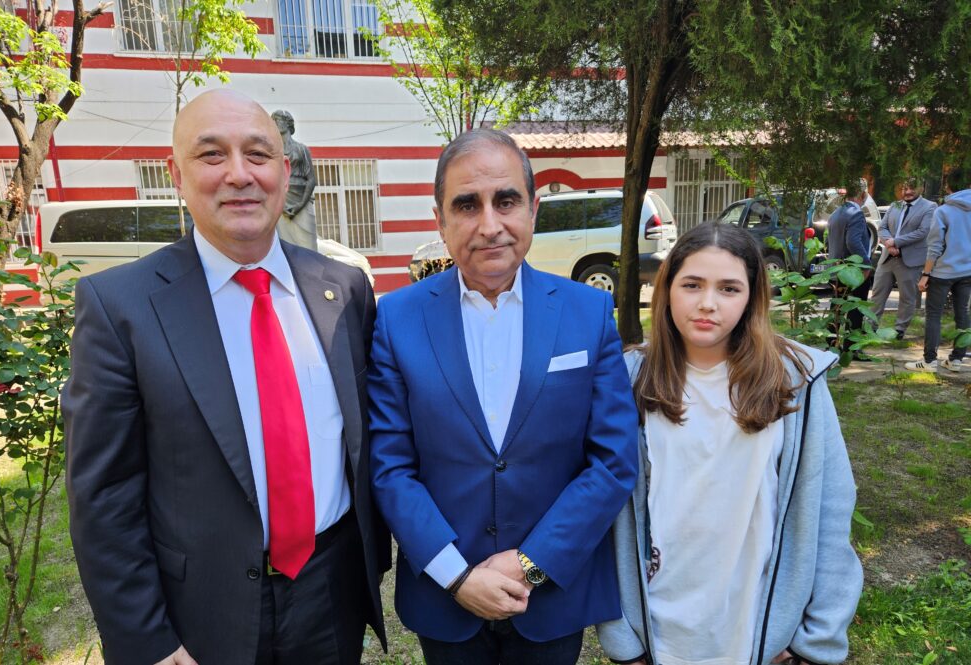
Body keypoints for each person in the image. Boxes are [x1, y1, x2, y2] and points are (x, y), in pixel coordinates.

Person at [63, 90, 388, 665]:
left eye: (258, 154)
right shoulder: (120, 308)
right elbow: (104, 497)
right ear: (176, 175)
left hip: (330, 592)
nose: (240, 174)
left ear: (284, 172)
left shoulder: (343, 289)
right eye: (212, 155)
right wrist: (147, 641)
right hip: (200, 611)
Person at [368, 128, 638, 665]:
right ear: (441, 221)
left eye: (506, 201)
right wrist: (457, 575)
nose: (489, 225)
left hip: (550, 598)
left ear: (533, 210)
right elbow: (389, 466)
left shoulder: (587, 313)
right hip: (447, 601)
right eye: (467, 205)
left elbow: (612, 461)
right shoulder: (397, 319)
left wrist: (530, 565)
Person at [598, 221, 863, 665]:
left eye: (728, 289)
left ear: (751, 297)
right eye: (692, 285)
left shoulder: (795, 381)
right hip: (659, 628)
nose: (707, 303)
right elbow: (605, 517)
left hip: (757, 629)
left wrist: (818, 639)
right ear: (667, 290)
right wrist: (622, 638)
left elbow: (831, 509)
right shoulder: (629, 380)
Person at [905, 167, 971, 372]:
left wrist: (925, 274)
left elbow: (934, 246)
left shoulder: (943, 211)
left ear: (948, 187)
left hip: (942, 272)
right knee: (963, 313)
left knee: (934, 315)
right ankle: (957, 359)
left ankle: (929, 361)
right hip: (967, 271)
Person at [870, 178, 937, 339]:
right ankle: (869, 327)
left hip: (910, 260)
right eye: (904, 189)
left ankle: (899, 330)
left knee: (907, 297)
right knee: (877, 294)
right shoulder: (895, 205)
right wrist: (889, 243)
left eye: (912, 189)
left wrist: (896, 242)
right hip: (887, 257)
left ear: (921, 189)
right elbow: (882, 227)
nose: (907, 192)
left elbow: (923, 231)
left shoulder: (930, 207)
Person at [826, 179, 874, 359]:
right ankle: (852, 349)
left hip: (836, 269)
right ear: (863, 194)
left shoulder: (836, 213)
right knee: (855, 310)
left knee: (837, 308)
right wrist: (866, 264)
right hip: (853, 271)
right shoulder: (856, 214)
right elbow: (853, 242)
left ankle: (831, 346)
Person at [272, 109, 318, 251]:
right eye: (274, 120)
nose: (276, 123)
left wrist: (299, 205)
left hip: (301, 201)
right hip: (281, 203)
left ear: (288, 124)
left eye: (278, 120)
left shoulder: (301, 149)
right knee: (286, 247)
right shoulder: (272, 152)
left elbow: (311, 179)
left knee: (309, 246)